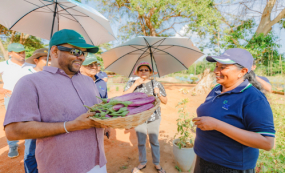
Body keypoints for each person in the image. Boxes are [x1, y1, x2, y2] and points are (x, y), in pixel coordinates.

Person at [4, 29, 108, 173]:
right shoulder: (30, 83)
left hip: (99, 163)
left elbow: (98, 112)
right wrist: (70, 126)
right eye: (76, 52)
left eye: (84, 53)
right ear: (54, 51)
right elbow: (13, 131)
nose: (81, 57)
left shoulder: (88, 82)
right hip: (62, 168)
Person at [193, 48, 275, 173]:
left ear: (242, 72)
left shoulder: (253, 98)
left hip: (230, 167)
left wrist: (217, 125)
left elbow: (267, 142)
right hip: (203, 160)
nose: (216, 71)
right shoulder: (216, 89)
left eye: (223, 67)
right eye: (216, 66)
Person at [124, 61, 168, 173]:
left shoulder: (156, 84)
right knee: (141, 141)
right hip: (138, 118)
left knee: (154, 141)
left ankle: (157, 163)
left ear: (150, 72)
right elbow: (124, 97)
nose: (143, 72)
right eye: (141, 70)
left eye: (146, 70)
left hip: (154, 117)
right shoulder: (132, 83)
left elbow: (165, 101)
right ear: (137, 72)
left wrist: (158, 93)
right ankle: (143, 162)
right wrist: (135, 85)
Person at [0, 43, 34, 158]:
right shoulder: (3, 65)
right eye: (18, 52)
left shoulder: (31, 66)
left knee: (30, 121)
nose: (22, 54)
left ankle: (31, 144)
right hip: (11, 97)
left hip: (30, 98)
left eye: (23, 52)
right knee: (11, 122)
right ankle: (12, 145)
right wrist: (2, 89)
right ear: (10, 53)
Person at [21, 48, 51, 173]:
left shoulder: (53, 76)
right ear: (36, 60)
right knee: (31, 150)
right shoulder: (26, 76)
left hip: (49, 117)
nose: (49, 62)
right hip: (32, 118)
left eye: (51, 59)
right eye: (46, 59)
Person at [80, 53, 110, 137]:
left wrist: (107, 124)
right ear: (80, 67)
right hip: (81, 125)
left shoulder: (101, 82)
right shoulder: (75, 82)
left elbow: (105, 103)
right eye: (90, 64)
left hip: (99, 123)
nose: (94, 67)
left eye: (95, 64)